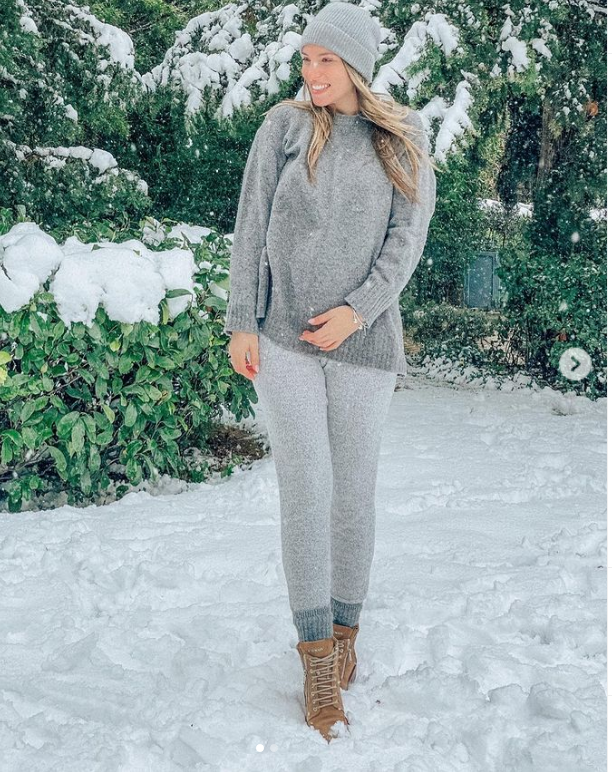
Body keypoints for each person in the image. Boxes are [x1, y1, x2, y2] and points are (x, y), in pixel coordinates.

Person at [224, 1, 437, 743]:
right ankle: (315, 658)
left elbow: (406, 238)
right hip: (282, 336)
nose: (311, 72)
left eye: (325, 59)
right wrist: (241, 319)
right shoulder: (283, 127)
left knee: (352, 494)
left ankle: (346, 635)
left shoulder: (401, 133)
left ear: (356, 65)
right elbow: (250, 226)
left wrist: (358, 310)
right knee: (306, 490)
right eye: (305, 58)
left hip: (363, 344)